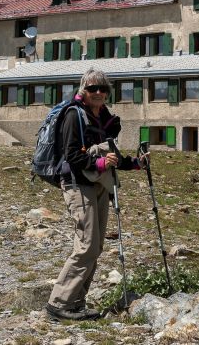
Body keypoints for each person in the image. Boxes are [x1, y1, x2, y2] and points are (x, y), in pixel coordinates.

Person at [46, 68, 146, 321]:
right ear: (84, 90)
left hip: (98, 185)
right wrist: (100, 164)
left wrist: (134, 163)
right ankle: (59, 303)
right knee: (87, 245)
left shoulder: (104, 117)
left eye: (103, 89)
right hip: (78, 184)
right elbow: (72, 155)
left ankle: (76, 302)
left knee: (96, 246)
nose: (98, 92)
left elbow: (110, 156)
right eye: (93, 88)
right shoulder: (74, 115)